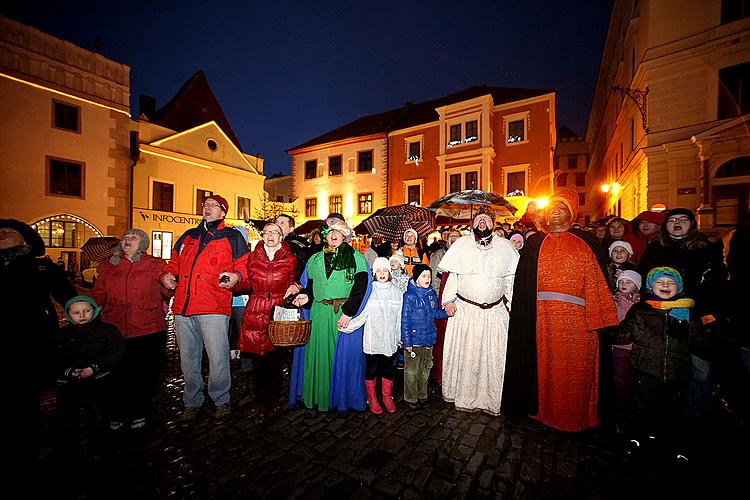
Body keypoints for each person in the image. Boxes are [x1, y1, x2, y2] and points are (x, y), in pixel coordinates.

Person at [502, 188, 619, 432]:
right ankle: (540, 411)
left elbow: (599, 285)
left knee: (574, 373)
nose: (555, 210)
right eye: (551, 207)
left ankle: (575, 417)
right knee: (542, 370)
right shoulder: (534, 243)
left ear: (572, 213)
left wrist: (601, 321)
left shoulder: (588, 242)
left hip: (578, 323)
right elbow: (522, 288)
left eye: (562, 207)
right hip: (540, 319)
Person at [160, 195, 249, 421]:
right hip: (183, 307)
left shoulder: (233, 237)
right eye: (205, 205)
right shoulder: (189, 235)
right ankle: (192, 400)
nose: (207, 208)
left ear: (223, 212)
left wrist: (235, 276)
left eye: (213, 206)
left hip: (213, 306)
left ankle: (221, 399)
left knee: (218, 357)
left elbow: (244, 266)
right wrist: (168, 274)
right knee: (188, 358)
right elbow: (174, 262)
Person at [1, 219, 76, 480]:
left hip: (31, 346)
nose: (2, 234)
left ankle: (24, 455)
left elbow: (68, 297)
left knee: (24, 404)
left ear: (25, 239)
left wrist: (86, 319)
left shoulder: (41, 266)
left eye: (9, 232)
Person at [638, 208, 727, 420]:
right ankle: (667, 413)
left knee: (700, 370)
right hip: (662, 316)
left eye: (683, 219)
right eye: (672, 220)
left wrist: (712, 313)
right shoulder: (655, 249)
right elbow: (643, 280)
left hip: (697, 316)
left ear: (691, 224)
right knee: (665, 369)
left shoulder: (706, 248)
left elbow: (718, 282)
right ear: (666, 226)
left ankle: (696, 415)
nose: (677, 223)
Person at [616, 267, 701, 463]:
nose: (665, 285)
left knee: (673, 412)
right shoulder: (642, 310)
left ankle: (675, 446)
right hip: (646, 370)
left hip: (676, 374)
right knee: (642, 408)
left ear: (678, 288)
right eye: (660, 282)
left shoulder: (687, 312)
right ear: (650, 286)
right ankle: (635, 439)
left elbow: (700, 342)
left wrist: (711, 333)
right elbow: (624, 333)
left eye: (670, 283)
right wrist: (603, 329)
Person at [439, 211, 519, 415]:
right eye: (478, 219)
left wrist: (512, 304)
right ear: (472, 223)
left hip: (495, 314)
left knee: (493, 358)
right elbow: (453, 276)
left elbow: (509, 279)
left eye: (486, 219)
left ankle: (491, 400)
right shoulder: (461, 244)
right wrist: (448, 300)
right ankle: (464, 398)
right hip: (467, 313)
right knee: (468, 356)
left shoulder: (505, 246)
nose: (482, 221)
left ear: (493, 223)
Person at [90, 228, 169, 430]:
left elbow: (165, 289)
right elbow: (99, 292)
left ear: (143, 243)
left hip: (147, 328)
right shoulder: (108, 265)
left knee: (143, 374)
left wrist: (169, 285)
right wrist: (89, 309)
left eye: (133, 237)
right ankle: (117, 412)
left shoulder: (155, 263)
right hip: (114, 328)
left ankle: (140, 411)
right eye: (126, 237)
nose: (128, 239)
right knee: (116, 374)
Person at [292, 217, 369, 412]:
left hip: (342, 314)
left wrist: (350, 312)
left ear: (345, 235)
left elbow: (361, 287)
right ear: (324, 235)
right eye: (329, 232)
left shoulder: (356, 257)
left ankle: (340, 399)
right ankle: (320, 397)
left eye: (338, 232)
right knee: (319, 355)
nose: (333, 235)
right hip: (319, 313)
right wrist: (304, 298)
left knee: (342, 357)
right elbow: (310, 288)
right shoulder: (315, 259)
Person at [234, 222, 297, 419]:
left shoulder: (290, 258)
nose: (270, 235)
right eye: (266, 232)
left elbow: (295, 281)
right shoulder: (252, 256)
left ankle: (274, 400)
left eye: (274, 232)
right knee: (258, 360)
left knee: (276, 359)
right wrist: (234, 283)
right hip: (256, 307)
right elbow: (246, 283)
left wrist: (295, 286)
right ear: (262, 236)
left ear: (281, 236)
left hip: (278, 309)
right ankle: (260, 402)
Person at [55, 295, 124, 457]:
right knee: (66, 416)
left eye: (87, 311)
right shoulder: (62, 334)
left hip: (97, 381)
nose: (82, 315)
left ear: (95, 310)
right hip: (69, 383)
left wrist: (95, 367)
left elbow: (115, 352)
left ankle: (99, 445)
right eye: (76, 312)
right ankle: (66, 447)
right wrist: (69, 371)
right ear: (68, 314)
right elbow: (55, 357)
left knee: (98, 413)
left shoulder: (108, 331)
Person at [341, 257, 403, 414]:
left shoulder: (397, 293)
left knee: (388, 368)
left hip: (390, 340)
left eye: (385, 270)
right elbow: (362, 315)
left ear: (389, 272)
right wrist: (347, 326)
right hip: (373, 339)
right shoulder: (370, 292)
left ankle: (387, 397)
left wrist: (398, 337)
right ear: (374, 273)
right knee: (372, 369)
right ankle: (372, 398)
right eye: (378, 271)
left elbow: (399, 317)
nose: (382, 274)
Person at [401, 264, 450, 408]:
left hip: (428, 339)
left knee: (425, 369)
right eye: (423, 276)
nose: (427, 279)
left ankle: (422, 394)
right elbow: (405, 320)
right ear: (416, 278)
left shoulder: (431, 294)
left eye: (429, 276)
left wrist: (446, 312)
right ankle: (411, 398)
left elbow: (435, 313)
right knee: (411, 371)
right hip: (414, 341)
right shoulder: (409, 296)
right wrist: (407, 342)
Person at [611, 270, 642, 425]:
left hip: (635, 345)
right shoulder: (615, 299)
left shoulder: (640, 303)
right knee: (620, 376)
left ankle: (630, 402)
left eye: (629, 282)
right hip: (619, 344)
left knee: (632, 376)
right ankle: (619, 405)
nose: (624, 284)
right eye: (621, 282)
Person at [277, 214, 310, 279]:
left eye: (282, 223)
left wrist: (297, 284)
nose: (277, 225)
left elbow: (303, 269)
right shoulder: (269, 243)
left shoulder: (296, 246)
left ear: (291, 229)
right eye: (276, 222)